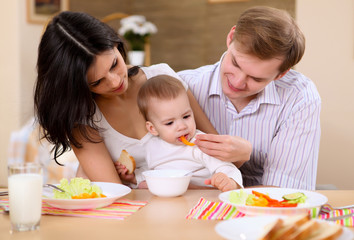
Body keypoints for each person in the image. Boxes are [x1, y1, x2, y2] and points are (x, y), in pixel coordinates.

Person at [34, 11, 220, 187]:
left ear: (116, 45)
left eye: (114, 64)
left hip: (196, 198)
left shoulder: (162, 77)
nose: (115, 82)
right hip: (132, 211)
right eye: (97, 82)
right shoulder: (83, 119)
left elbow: (218, 148)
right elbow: (115, 193)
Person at [178, 6, 321, 190]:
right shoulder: (184, 85)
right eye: (236, 63)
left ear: (281, 75)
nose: (237, 82)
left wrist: (246, 156)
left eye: (256, 78)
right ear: (231, 38)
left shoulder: (299, 98)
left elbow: (285, 193)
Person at [137, 75, 243, 191]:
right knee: (143, 186)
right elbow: (150, 170)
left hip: (201, 197)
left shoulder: (201, 144)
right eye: (170, 123)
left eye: (186, 116)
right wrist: (134, 177)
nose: (182, 126)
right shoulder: (151, 147)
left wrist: (230, 182)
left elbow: (227, 167)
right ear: (153, 128)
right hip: (170, 199)